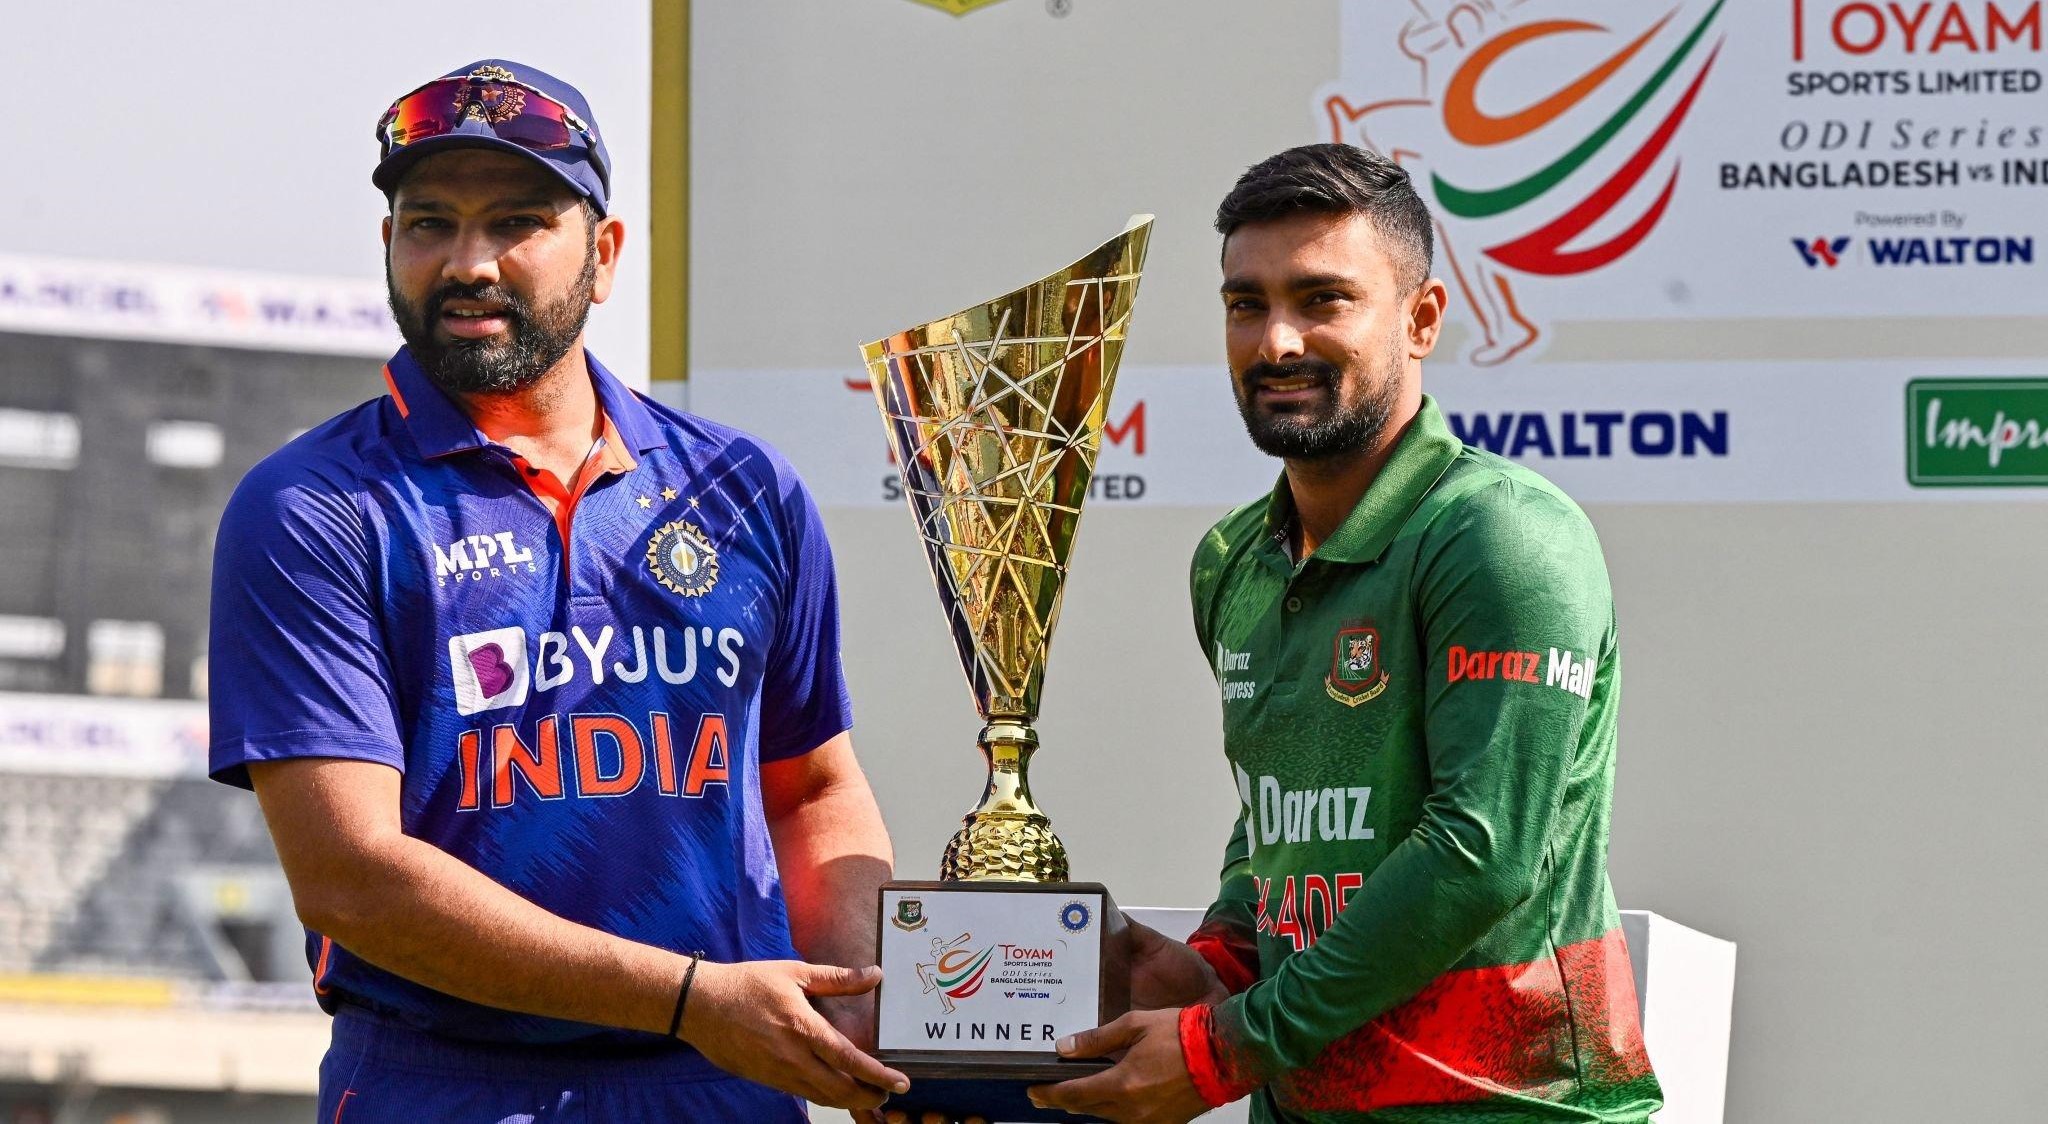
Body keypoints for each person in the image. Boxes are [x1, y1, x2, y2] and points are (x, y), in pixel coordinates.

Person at [208, 59, 907, 1121]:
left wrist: (858, 1001)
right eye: (429, 224)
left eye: (517, 222)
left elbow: (811, 790)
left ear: (604, 253)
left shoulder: (743, 487)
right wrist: (688, 1000)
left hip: (727, 1081)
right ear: (389, 244)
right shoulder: (314, 507)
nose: (468, 263)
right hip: (447, 1084)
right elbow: (352, 875)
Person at [1031, 144, 1663, 1122]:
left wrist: (1226, 1046)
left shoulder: (1500, 534)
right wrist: (1221, 962)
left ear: (1420, 320)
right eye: (1245, 304)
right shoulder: (1233, 559)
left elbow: (1480, 852)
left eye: (1322, 299)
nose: (1276, 341)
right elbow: (1277, 819)